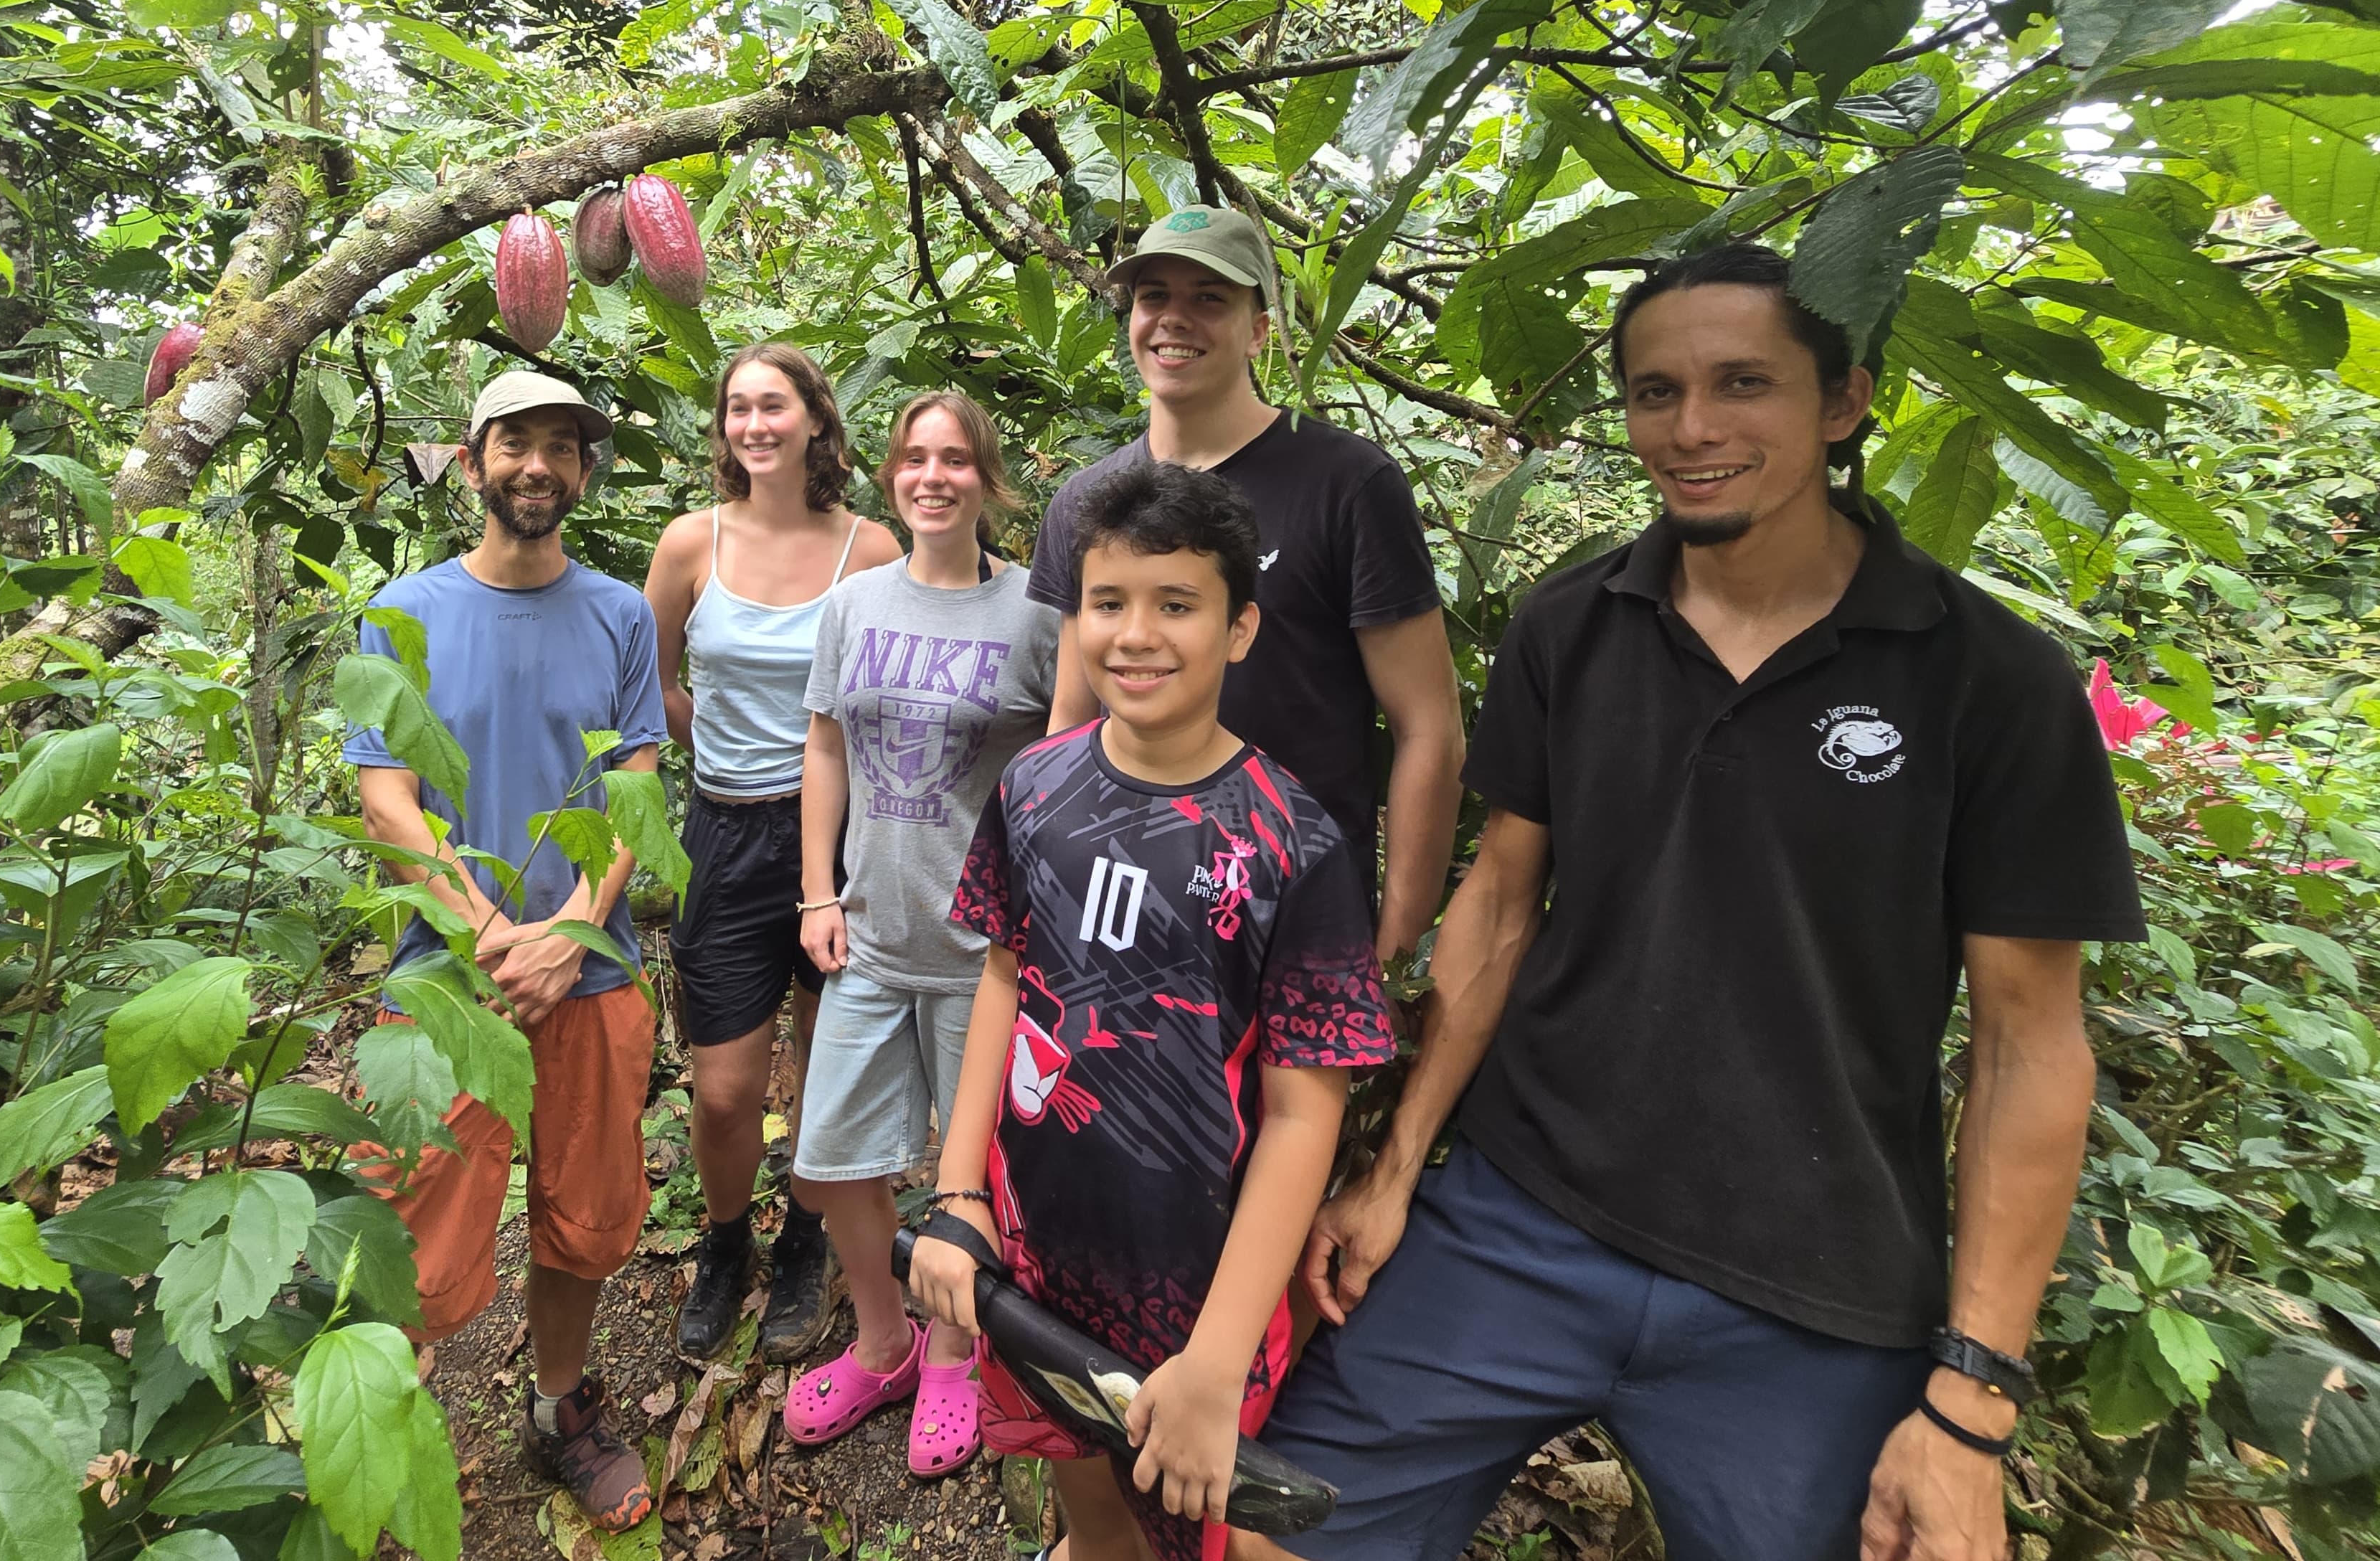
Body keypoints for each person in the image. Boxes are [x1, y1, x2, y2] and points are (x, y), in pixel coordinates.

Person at [1250, 242, 2148, 1561]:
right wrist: (1393, 1176)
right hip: (1522, 1211)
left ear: (1844, 402)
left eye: (1743, 383)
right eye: (1655, 392)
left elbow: (2030, 1048)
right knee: (1269, 1529)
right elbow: (1498, 908)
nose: (1692, 428)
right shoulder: (1573, 625)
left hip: (1816, 1284)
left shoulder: (1991, 681)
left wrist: (1970, 1404)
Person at [913, 461, 1397, 1561]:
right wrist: (957, 1194)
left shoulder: (1293, 843)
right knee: (1081, 1488)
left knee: (1197, 1531)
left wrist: (1218, 1361)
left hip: (1194, 1295)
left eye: (1177, 604)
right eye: (1108, 602)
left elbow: (1304, 1114)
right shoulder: (1033, 790)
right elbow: (1003, 980)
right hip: (1033, 1255)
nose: (1136, 635)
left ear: (1240, 628)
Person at [344, 369, 670, 1534]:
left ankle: (557, 1406)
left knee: (585, 1215)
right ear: (474, 459)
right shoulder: (405, 611)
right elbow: (386, 797)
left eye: (562, 446)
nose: (539, 464)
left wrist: (566, 934)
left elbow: (636, 787)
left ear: (584, 472)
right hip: (447, 986)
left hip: (589, 972)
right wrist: (484, 935)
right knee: (413, 1230)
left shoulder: (621, 614)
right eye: (516, 441)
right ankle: (386, 1452)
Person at [1029, 207, 1463, 959]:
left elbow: (1429, 729)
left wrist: (1391, 954)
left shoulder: (1348, 484)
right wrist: (1045, 891)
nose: (1174, 318)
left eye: (1209, 298)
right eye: (1154, 296)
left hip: (1294, 911)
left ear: (1259, 329)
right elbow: (1072, 717)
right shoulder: (1087, 501)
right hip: (1119, 907)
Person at [782, 390, 1062, 1476]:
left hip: (984, 954)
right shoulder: (854, 603)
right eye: (913, 458)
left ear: (988, 480)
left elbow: (1068, 768)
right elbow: (825, 747)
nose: (932, 477)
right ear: (890, 475)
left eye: (954, 460)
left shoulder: (1038, 611)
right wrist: (817, 892)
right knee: (832, 1156)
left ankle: (954, 1350)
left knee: (971, 1170)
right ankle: (882, 1341)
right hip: (869, 933)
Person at [643, 342, 901, 1361]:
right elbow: (656, 681)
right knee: (724, 1089)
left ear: (815, 421)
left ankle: (805, 1235)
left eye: (774, 406)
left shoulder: (869, 550)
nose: (755, 424)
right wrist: (715, 744)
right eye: (738, 408)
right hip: (724, 830)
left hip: (842, 838)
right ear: (724, 427)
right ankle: (723, 1242)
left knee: (826, 1065)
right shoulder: (689, 543)